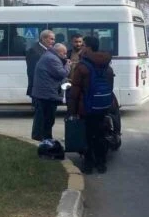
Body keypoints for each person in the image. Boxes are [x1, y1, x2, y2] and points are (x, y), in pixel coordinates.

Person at [68, 36, 115, 174]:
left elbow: (75, 90)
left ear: (87, 47)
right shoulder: (107, 65)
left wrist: (71, 110)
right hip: (102, 106)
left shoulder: (82, 66)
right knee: (101, 134)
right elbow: (110, 87)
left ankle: (88, 164)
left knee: (87, 135)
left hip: (86, 107)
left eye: (84, 45)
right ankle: (101, 164)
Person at [31, 43, 70, 142]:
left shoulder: (48, 56)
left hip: (43, 93)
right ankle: (45, 139)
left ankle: (43, 137)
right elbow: (62, 73)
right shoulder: (52, 59)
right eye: (64, 53)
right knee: (47, 119)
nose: (65, 56)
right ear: (59, 52)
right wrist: (67, 65)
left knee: (43, 118)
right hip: (47, 94)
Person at [26, 30, 55, 100]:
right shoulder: (34, 51)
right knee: (40, 110)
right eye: (51, 39)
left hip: (45, 89)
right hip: (39, 90)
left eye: (54, 39)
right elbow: (33, 71)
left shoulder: (49, 50)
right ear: (43, 39)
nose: (53, 41)